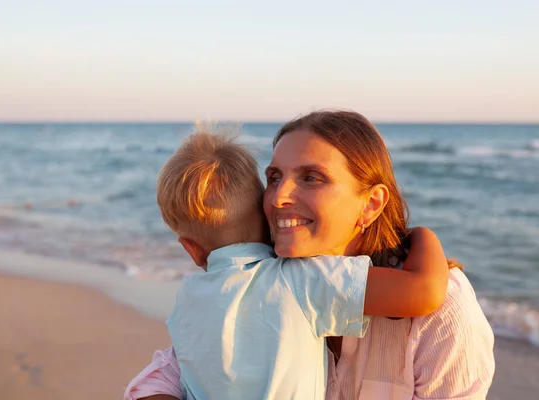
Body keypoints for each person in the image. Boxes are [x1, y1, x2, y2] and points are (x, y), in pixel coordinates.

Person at [124, 111, 495, 400]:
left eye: (311, 177)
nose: (279, 195)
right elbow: (169, 372)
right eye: (273, 177)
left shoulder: (443, 308)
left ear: (371, 204)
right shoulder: (263, 279)